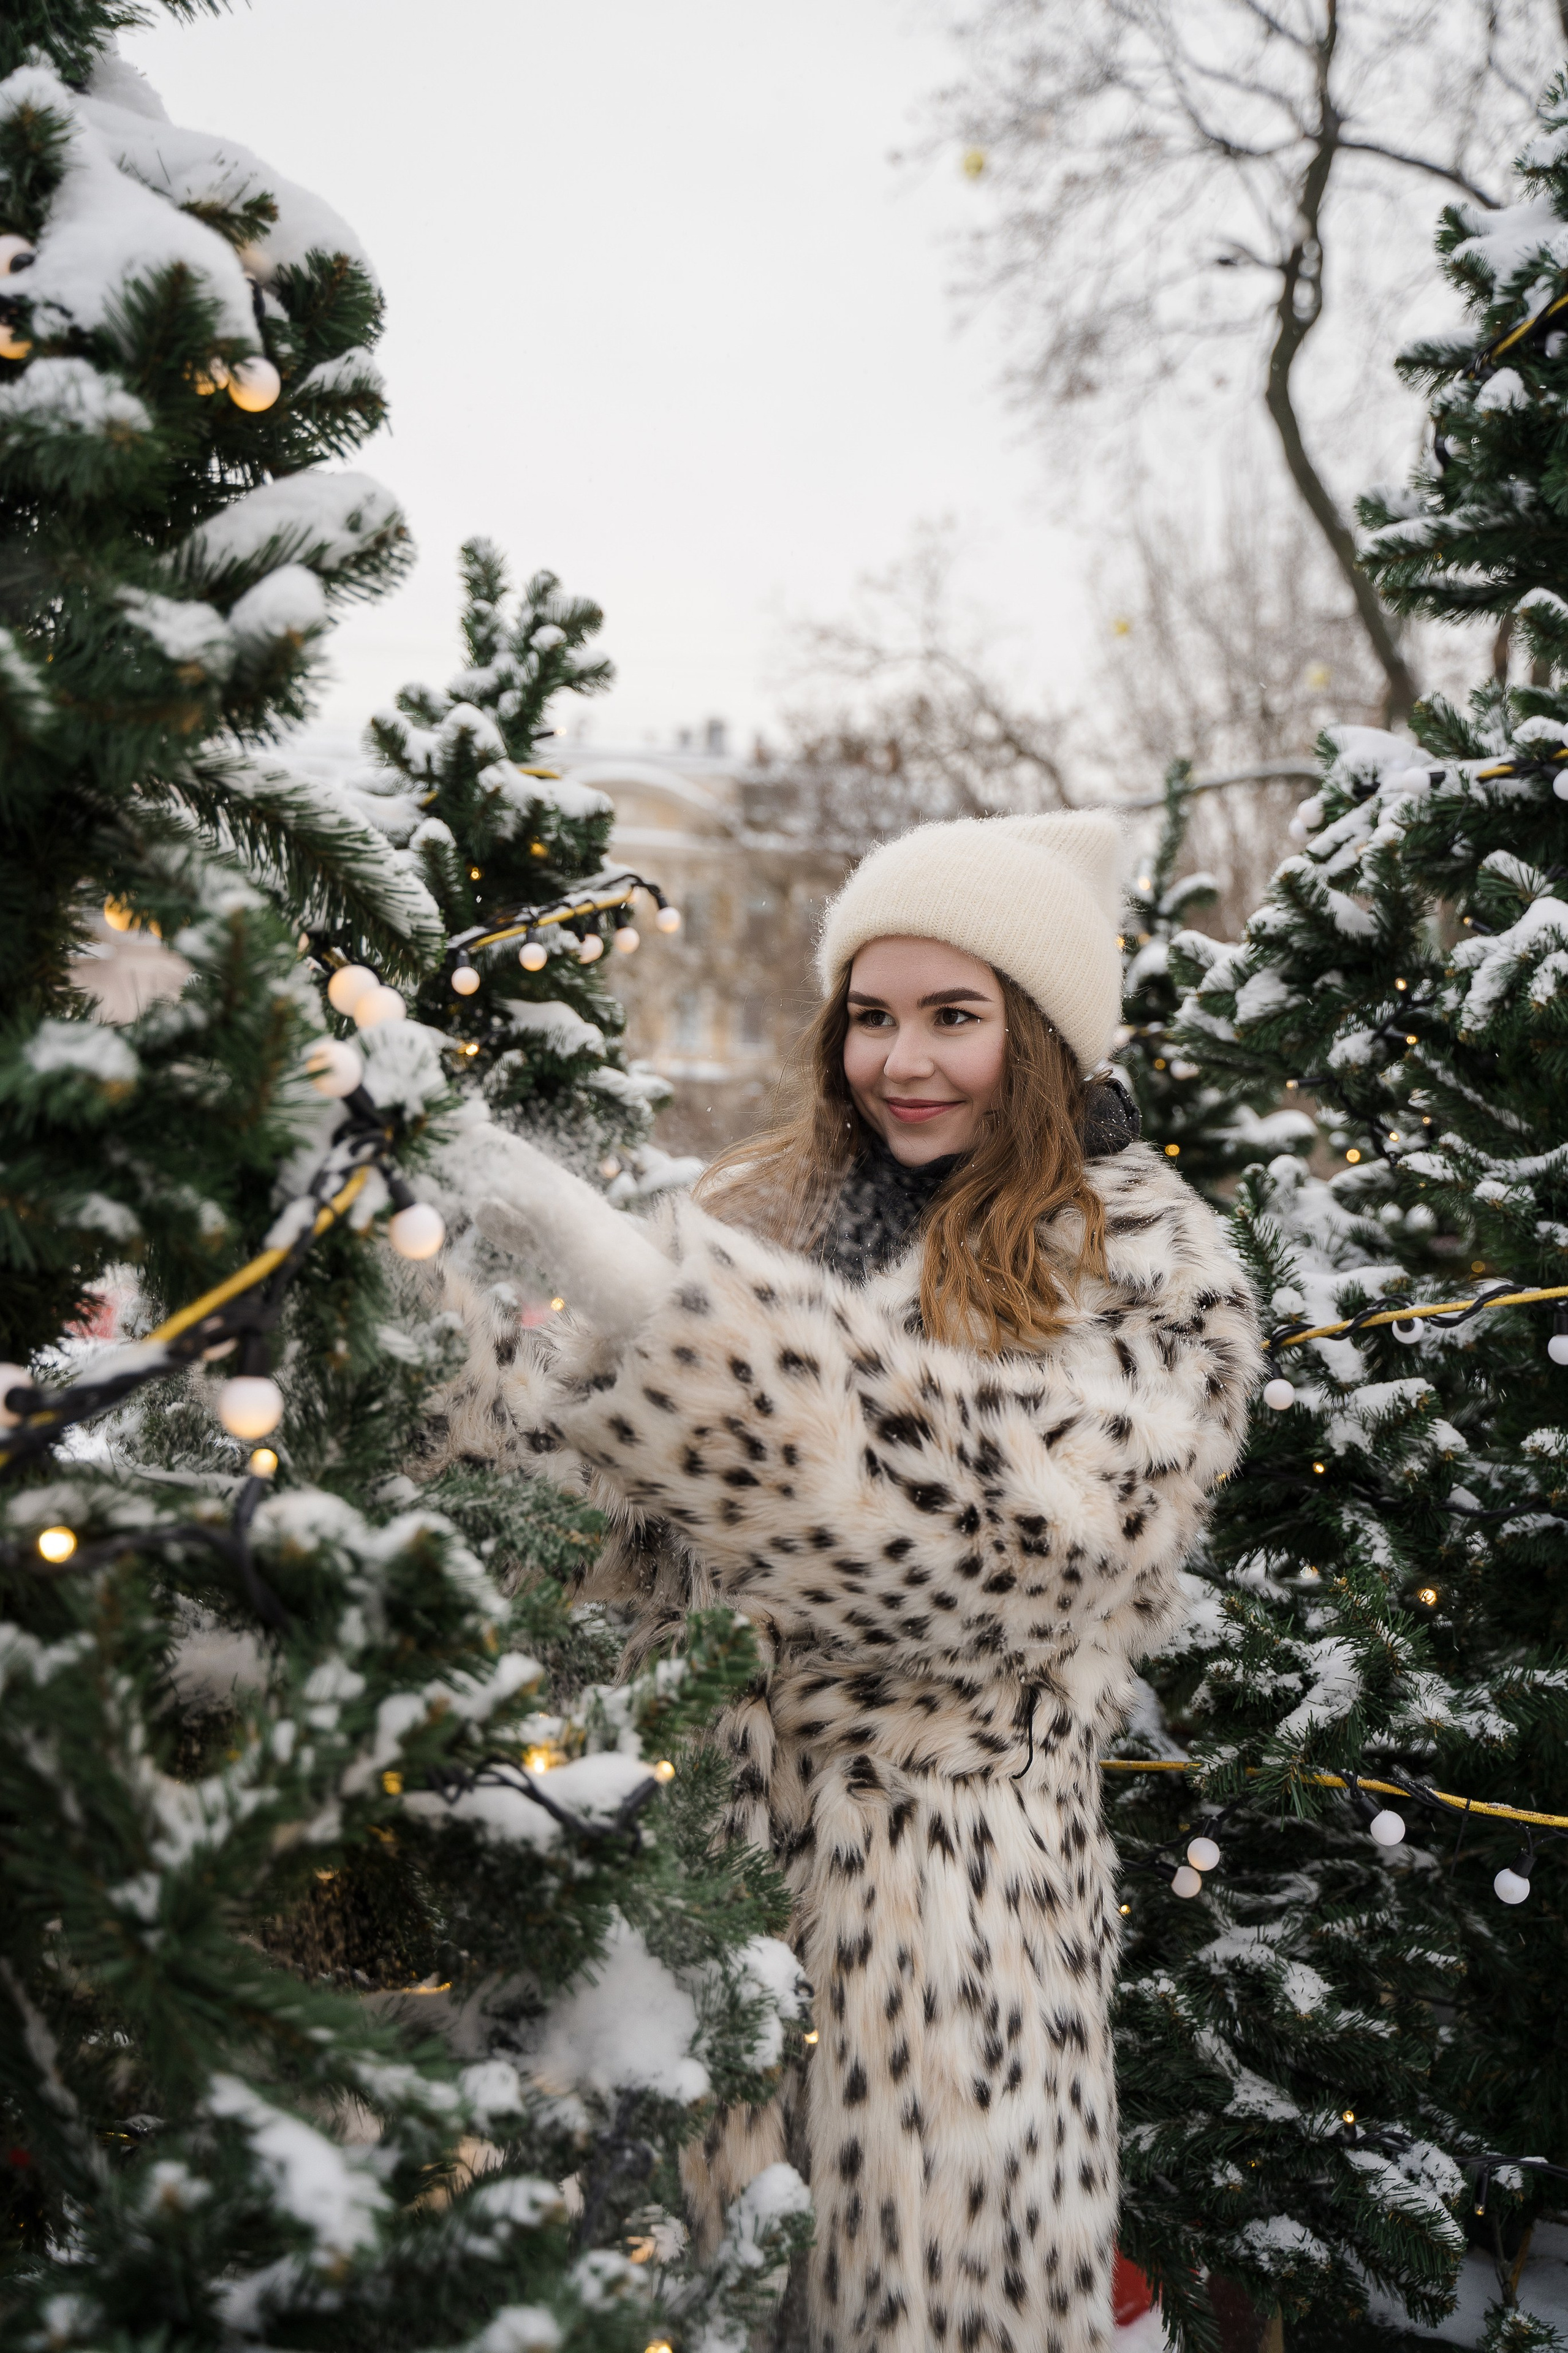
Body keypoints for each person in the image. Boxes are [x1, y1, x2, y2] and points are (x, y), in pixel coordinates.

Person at [473, 811, 1262, 2353]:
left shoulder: (1150, 1259)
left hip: (940, 1950)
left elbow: (1007, 1557)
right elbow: (576, 1504)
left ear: (1036, 1037)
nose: (901, 1059)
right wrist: (451, 1309)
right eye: (872, 1016)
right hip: (681, 1898)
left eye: (952, 1017)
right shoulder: (760, 1210)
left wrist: (686, 1347)